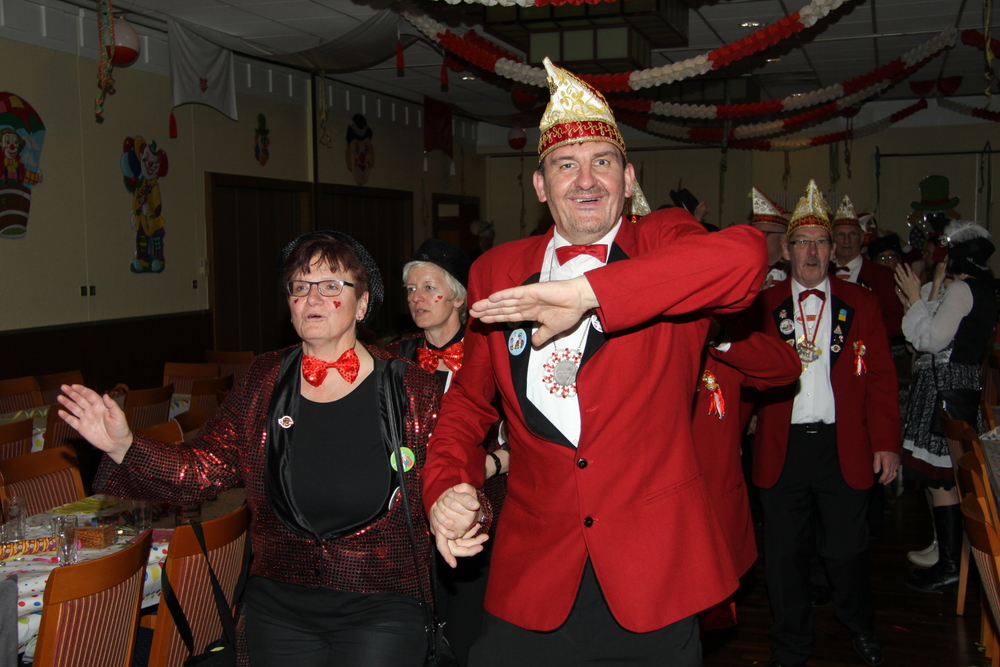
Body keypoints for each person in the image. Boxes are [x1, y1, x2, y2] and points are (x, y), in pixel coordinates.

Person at [422, 57, 767, 666]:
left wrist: (588, 294)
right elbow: (469, 405)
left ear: (629, 180)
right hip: (534, 571)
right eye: (566, 164)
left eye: (602, 162)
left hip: (653, 573)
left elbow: (746, 259)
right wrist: (445, 486)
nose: (586, 180)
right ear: (540, 186)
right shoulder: (496, 271)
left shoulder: (664, 240)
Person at [57, 231, 441, 667]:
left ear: (362, 303)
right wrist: (123, 445)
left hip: (383, 601)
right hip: (280, 605)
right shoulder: (264, 379)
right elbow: (202, 469)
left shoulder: (411, 387)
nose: (312, 298)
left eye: (331, 286)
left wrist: (464, 511)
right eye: (300, 286)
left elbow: (455, 478)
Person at [746, 180, 900, 667]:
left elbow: (882, 377)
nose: (811, 252)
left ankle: (860, 623)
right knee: (784, 558)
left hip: (844, 445)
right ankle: (790, 645)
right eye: (802, 242)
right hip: (782, 448)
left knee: (846, 553)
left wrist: (887, 443)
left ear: (834, 251)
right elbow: (742, 372)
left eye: (820, 243)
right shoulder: (763, 304)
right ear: (786, 251)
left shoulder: (862, 302)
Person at [385, 237, 508, 665]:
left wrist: (490, 464)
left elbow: (524, 440)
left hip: (479, 501)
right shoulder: (395, 357)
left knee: (467, 630)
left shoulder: (491, 355)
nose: (416, 298)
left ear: (458, 297)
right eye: (411, 289)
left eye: (429, 287)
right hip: (406, 507)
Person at [894, 220, 997, 592]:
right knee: (943, 476)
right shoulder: (983, 288)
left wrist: (916, 299)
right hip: (959, 384)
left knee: (942, 479)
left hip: (944, 388)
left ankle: (951, 564)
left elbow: (931, 341)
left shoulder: (963, 290)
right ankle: (948, 557)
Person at [692, 316, 801, 630]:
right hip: (648, 516)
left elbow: (786, 368)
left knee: (700, 627)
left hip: (711, 510)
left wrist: (721, 335)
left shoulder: (718, 350)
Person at [830, 195, 903, 342]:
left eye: (852, 234)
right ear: (832, 240)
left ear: (862, 239)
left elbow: (897, 321)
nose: (846, 240)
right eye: (841, 234)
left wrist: (863, 332)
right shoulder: (821, 273)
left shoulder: (883, 275)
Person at [749, 186, 791, 289]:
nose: (756, 239)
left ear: (784, 239)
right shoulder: (745, 270)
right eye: (753, 234)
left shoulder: (796, 271)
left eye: (764, 233)